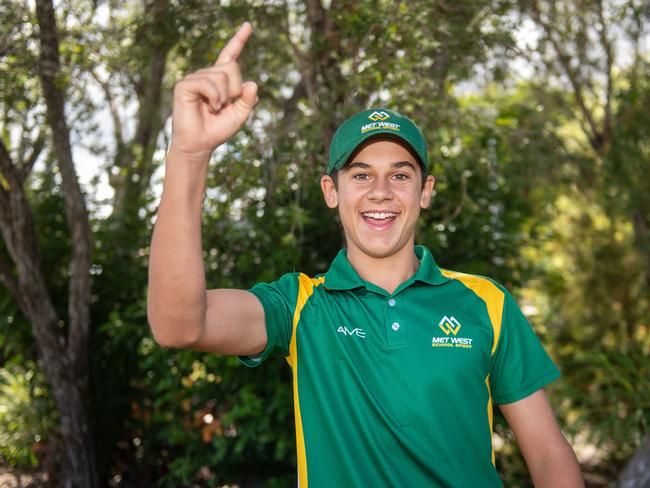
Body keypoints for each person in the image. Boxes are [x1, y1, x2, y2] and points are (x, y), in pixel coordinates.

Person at [147, 22, 584, 487]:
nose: (380, 192)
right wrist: (189, 156)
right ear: (331, 191)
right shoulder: (300, 308)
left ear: (426, 191)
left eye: (400, 175)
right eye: (360, 175)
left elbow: (548, 453)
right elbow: (178, 324)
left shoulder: (486, 303)